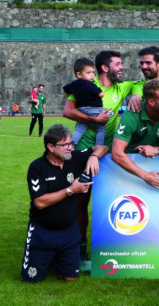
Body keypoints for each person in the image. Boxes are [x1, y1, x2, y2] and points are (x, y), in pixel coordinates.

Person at [63, 49, 141, 272]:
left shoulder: (122, 87)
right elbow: (68, 111)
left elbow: (140, 86)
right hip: (82, 152)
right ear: (105, 68)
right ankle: (79, 251)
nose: (122, 67)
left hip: (108, 155)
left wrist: (136, 95)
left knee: (111, 202)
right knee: (80, 203)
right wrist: (93, 118)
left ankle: (113, 250)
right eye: (118, 64)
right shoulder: (86, 82)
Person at [21, 124, 108, 282]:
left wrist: (94, 156)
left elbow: (102, 147)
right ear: (51, 147)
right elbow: (40, 202)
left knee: (71, 278)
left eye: (71, 143)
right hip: (42, 231)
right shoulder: (37, 167)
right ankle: (49, 256)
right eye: (65, 145)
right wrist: (71, 190)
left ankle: (57, 257)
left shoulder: (74, 158)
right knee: (31, 279)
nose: (70, 148)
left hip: (69, 232)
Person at [112, 80, 159, 190]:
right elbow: (116, 154)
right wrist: (146, 176)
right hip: (130, 170)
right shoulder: (131, 115)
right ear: (151, 102)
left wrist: (158, 150)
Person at [63, 58, 108, 146]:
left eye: (93, 73)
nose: (92, 75)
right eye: (88, 73)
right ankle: (99, 146)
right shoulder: (90, 84)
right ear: (79, 74)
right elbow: (101, 94)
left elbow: (65, 89)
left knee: (80, 129)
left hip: (82, 110)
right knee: (101, 129)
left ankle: (72, 145)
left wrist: (72, 95)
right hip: (96, 109)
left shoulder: (74, 84)